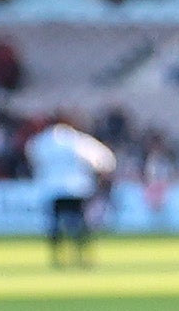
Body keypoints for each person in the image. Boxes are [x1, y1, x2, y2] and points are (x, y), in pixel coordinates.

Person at [27, 112, 114, 267]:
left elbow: (32, 157)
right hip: (77, 188)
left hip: (51, 188)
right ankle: (83, 256)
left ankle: (57, 258)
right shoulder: (78, 140)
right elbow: (106, 161)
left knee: (55, 224)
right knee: (81, 222)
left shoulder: (41, 141)